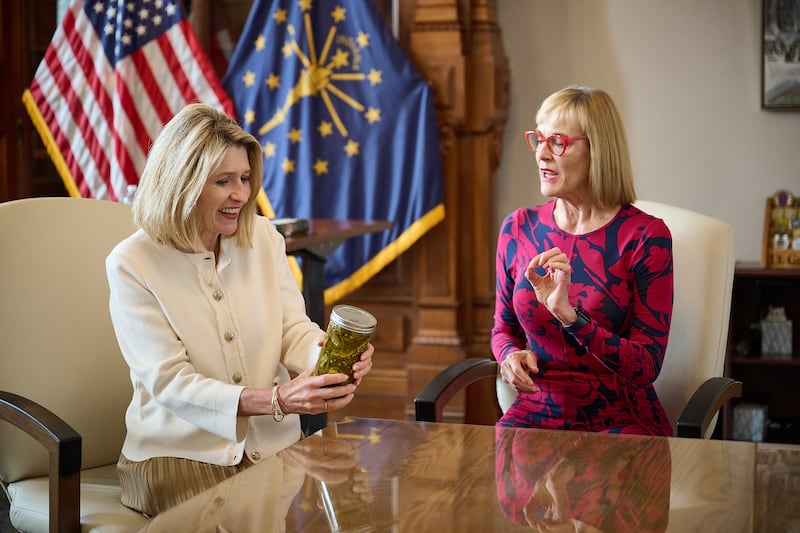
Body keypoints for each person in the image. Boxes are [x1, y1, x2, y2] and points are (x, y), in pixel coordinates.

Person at [106, 102, 374, 516]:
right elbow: (170, 383)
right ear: (183, 182)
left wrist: (330, 357)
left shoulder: (264, 238)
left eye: (246, 178)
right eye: (224, 181)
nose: (242, 194)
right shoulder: (132, 263)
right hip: (174, 458)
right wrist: (277, 400)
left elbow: (292, 329)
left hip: (272, 447)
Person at [491, 85, 673, 436]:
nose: (542, 154)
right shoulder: (517, 228)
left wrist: (570, 318)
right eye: (538, 139)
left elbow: (647, 365)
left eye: (557, 142)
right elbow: (503, 329)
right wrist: (509, 356)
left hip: (620, 420)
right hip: (534, 415)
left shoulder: (646, 238)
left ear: (598, 151)